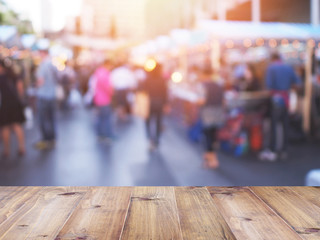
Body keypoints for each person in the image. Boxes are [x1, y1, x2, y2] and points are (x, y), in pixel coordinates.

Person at [260, 52, 302, 161]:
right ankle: (284, 150)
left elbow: (268, 86)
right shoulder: (288, 67)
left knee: (274, 125)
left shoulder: (271, 68)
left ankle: (273, 150)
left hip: (276, 99)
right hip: (286, 99)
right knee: (285, 125)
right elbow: (298, 83)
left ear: (272, 58)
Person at [198, 67, 225, 169]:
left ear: (204, 75)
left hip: (208, 113)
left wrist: (196, 102)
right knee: (213, 135)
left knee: (208, 135)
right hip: (218, 112)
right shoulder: (218, 85)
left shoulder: (203, 86)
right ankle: (210, 156)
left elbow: (202, 100)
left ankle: (212, 160)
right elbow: (223, 101)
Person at [34, 49, 60, 150]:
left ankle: (46, 140)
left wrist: (35, 85)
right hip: (52, 95)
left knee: (43, 119)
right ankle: (52, 139)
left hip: (44, 95)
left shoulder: (43, 65)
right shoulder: (53, 65)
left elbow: (40, 81)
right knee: (52, 118)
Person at [0, 58, 26, 158]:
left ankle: (7, 150)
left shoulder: (1, 77)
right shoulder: (15, 75)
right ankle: (21, 147)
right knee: (17, 125)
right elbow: (20, 88)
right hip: (15, 104)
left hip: (5, 104)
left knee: (5, 127)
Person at [143, 62, 169, 150]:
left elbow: (143, 90)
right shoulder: (162, 80)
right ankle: (156, 140)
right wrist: (166, 104)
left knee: (148, 122)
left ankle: (150, 139)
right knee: (158, 122)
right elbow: (165, 93)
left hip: (149, 103)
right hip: (159, 103)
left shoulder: (148, 79)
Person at [93, 59, 114, 142]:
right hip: (105, 99)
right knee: (106, 118)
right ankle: (107, 135)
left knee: (100, 117)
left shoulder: (98, 72)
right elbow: (108, 87)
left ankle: (100, 134)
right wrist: (112, 92)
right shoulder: (105, 73)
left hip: (98, 98)